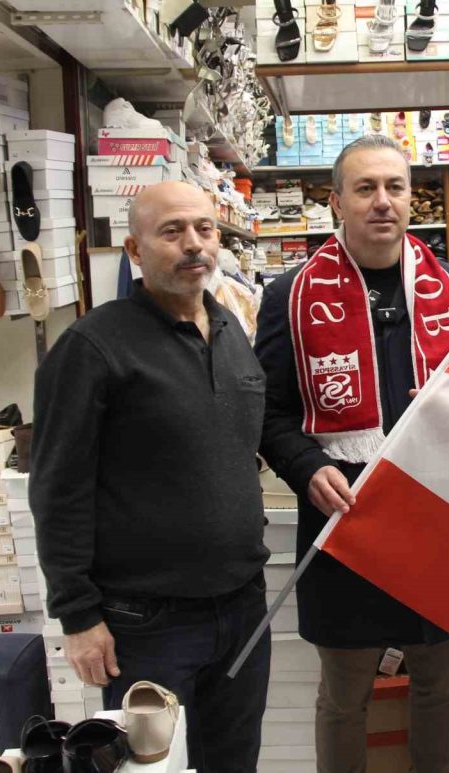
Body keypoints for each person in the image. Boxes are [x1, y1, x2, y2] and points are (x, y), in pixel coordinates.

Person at [254, 134, 449, 773]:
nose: (383, 201)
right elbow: (266, 412)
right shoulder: (290, 296)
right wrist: (307, 466)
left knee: (439, 680)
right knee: (344, 692)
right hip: (343, 522)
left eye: (395, 187)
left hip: (437, 520)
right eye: (365, 188)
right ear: (337, 202)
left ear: (411, 198)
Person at [30, 181, 271, 773]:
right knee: (152, 767)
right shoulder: (93, 346)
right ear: (135, 250)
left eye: (204, 229)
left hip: (242, 606)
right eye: (172, 231)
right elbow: (58, 488)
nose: (193, 244)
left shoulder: (230, 329)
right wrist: (78, 615)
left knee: (235, 761)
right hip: (148, 623)